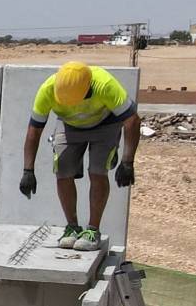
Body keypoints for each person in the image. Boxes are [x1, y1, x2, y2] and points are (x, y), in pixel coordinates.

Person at [18, 60, 139, 251]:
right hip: (69, 126)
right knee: (63, 170)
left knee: (97, 171)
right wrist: (28, 170)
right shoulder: (48, 89)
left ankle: (92, 231)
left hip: (105, 125)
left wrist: (127, 161)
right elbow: (34, 131)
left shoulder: (104, 84)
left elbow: (132, 121)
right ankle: (72, 227)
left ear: (88, 90)